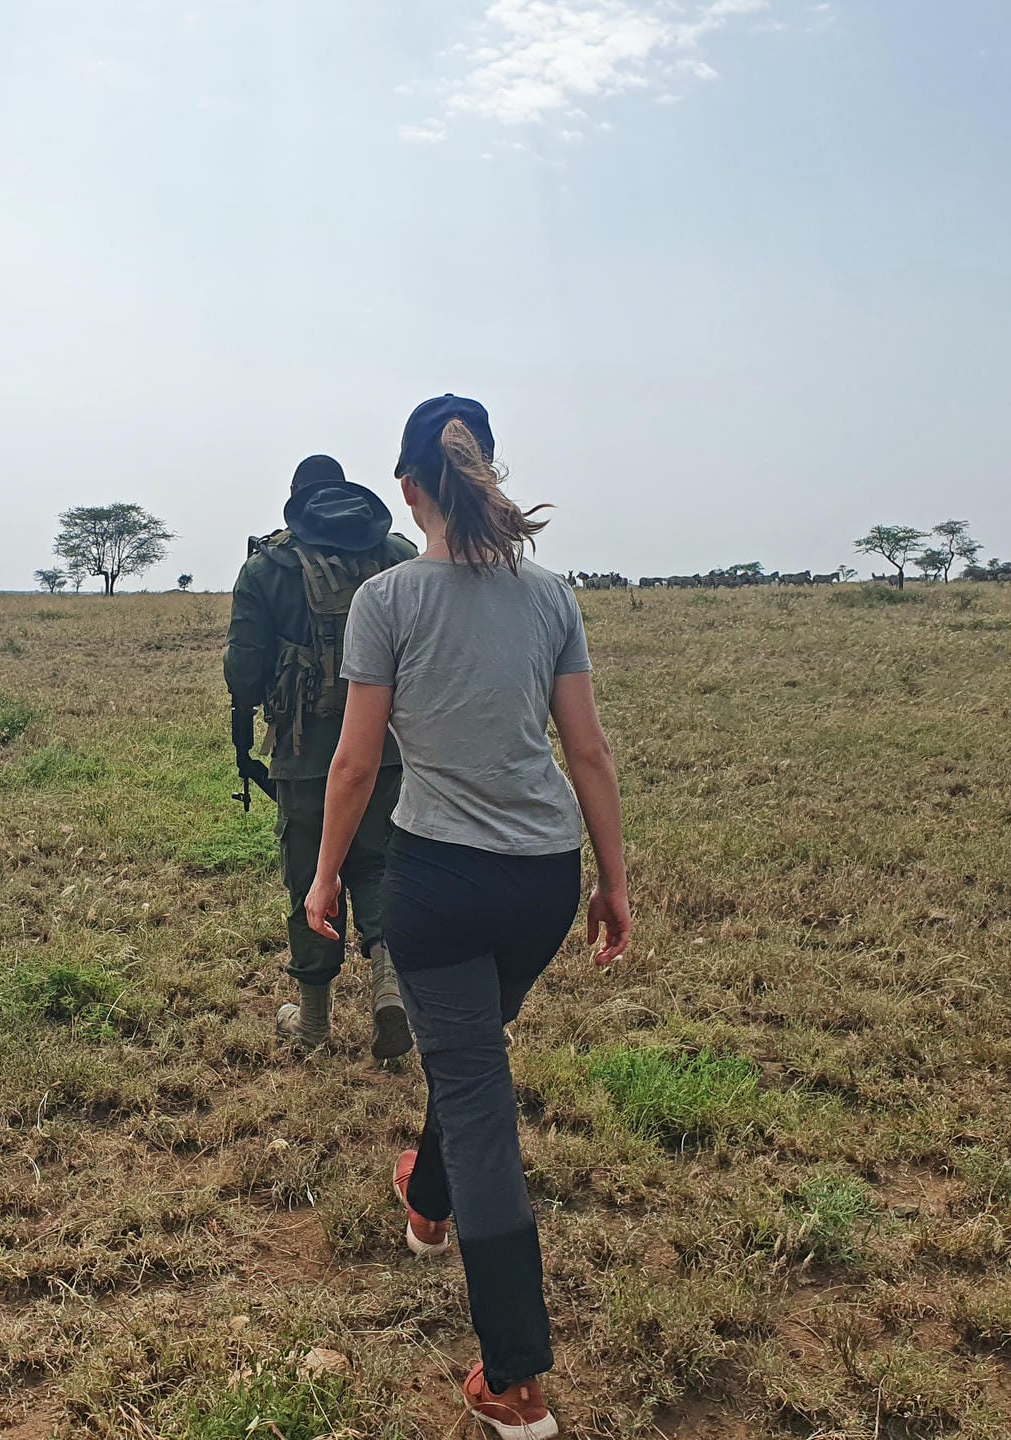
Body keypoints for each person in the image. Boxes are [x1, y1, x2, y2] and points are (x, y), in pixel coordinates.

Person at [303, 396, 632, 1438]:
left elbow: (355, 762)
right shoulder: (550, 597)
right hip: (542, 879)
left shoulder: (387, 598)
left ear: (409, 490)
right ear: (481, 477)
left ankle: (515, 1381)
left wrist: (320, 884)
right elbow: (588, 752)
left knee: (480, 1100)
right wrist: (613, 881)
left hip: (439, 881)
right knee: (469, 1054)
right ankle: (425, 1195)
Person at [225, 454, 419, 1057]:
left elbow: (242, 671)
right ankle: (389, 989)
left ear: (296, 501)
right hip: (388, 746)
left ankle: (313, 1024)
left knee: (313, 875)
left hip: (305, 752)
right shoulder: (398, 555)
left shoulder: (269, 566)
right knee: (380, 863)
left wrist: (251, 726)